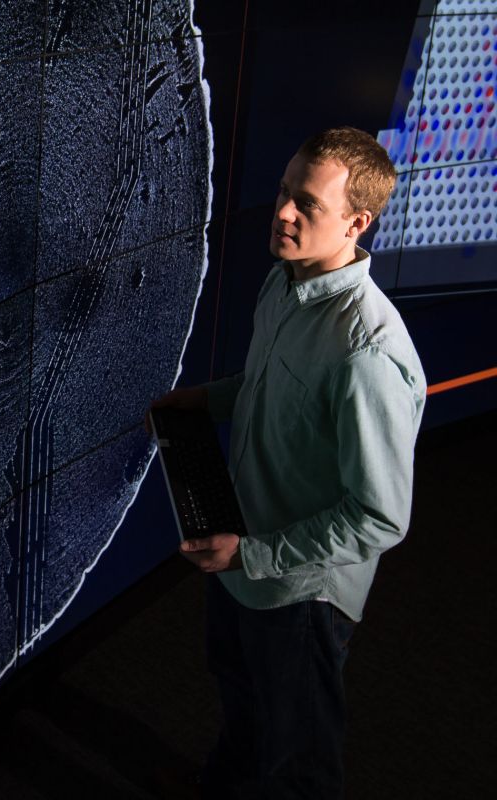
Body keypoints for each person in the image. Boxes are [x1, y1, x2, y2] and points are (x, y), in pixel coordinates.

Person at [151, 127, 426, 798]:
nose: (281, 213)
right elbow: (270, 385)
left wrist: (254, 555)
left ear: (357, 223)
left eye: (307, 204)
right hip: (243, 554)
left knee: (298, 764)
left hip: (298, 593)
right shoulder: (285, 281)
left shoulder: (366, 353)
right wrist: (207, 400)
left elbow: (380, 517)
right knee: (245, 711)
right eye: (283, 192)